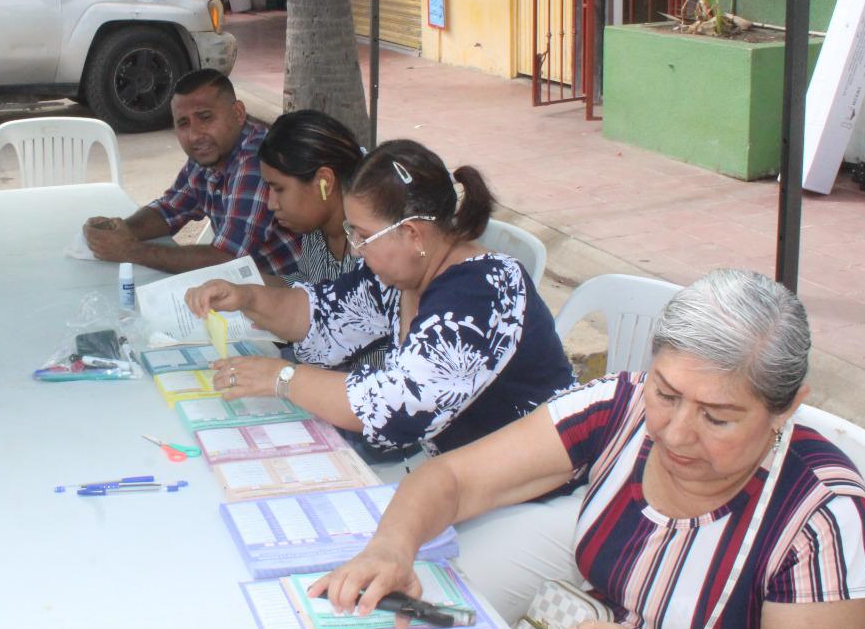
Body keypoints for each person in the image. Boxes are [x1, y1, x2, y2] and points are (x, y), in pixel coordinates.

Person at [313, 269, 865, 629]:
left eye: (717, 418)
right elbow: (453, 479)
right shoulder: (621, 408)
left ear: (786, 407)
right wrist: (392, 546)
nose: (675, 433)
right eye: (666, 394)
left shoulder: (823, 516)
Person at [184, 139, 574, 457]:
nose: (355, 248)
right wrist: (247, 297)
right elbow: (321, 315)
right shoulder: (403, 275)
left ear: (413, 234)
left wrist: (282, 377)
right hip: (460, 471)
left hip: (534, 483)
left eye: (364, 235)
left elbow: (397, 404)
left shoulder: (481, 293)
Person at [82, 69, 300, 277]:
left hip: (288, 290)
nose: (195, 135)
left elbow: (227, 259)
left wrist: (131, 250)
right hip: (245, 284)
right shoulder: (211, 152)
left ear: (238, 113)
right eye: (183, 123)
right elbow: (170, 209)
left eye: (205, 117)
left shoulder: (257, 160)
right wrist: (120, 230)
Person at [256, 109, 365, 286]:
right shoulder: (315, 223)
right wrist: (249, 288)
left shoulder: (374, 239)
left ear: (324, 181)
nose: (271, 204)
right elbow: (308, 285)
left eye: (279, 189)